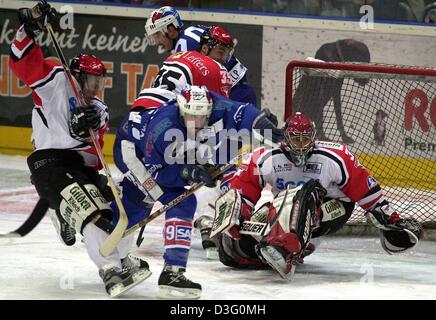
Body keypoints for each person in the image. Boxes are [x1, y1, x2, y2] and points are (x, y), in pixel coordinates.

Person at [9, 0, 151, 297]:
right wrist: (31, 27)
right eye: (91, 80)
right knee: (90, 210)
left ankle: (121, 256)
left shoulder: (97, 106)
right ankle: (109, 268)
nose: (95, 87)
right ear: (76, 75)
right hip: (50, 164)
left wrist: (91, 123)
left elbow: (96, 148)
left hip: (82, 169)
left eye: (100, 82)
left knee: (122, 208)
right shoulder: (56, 79)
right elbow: (22, 62)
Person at [112, 85, 282, 298]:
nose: (197, 123)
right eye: (191, 116)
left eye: (202, 117)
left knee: (184, 202)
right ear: (181, 111)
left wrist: (260, 122)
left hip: (165, 156)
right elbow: (157, 171)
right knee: (145, 197)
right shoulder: (163, 125)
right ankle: (110, 249)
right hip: (131, 154)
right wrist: (189, 172)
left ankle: (172, 272)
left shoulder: (215, 105)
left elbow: (242, 112)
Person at [211, 112, 423, 279]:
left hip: (331, 209)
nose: (301, 144)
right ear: (286, 138)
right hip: (284, 214)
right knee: (232, 251)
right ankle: (277, 248)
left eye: (305, 139)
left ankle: (285, 246)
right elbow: (242, 190)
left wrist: (391, 218)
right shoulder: (264, 158)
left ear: (314, 138)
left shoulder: (336, 157)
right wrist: (239, 215)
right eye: (296, 139)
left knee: (306, 193)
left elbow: (366, 190)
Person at [144, 6, 258, 106]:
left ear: (171, 30)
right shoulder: (192, 30)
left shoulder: (183, 46)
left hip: (232, 97)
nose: (157, 41)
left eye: (157, 34)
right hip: (241, 90)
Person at [293, 39, 371, 143]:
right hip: (301, 113)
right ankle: (319, 132)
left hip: (302, 114)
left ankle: (319, 132)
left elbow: (335, 96)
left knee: (322, 96)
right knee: (318, 97)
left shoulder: (341, 62)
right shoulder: (331, 59)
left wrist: (342, 133)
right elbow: (324, 99)